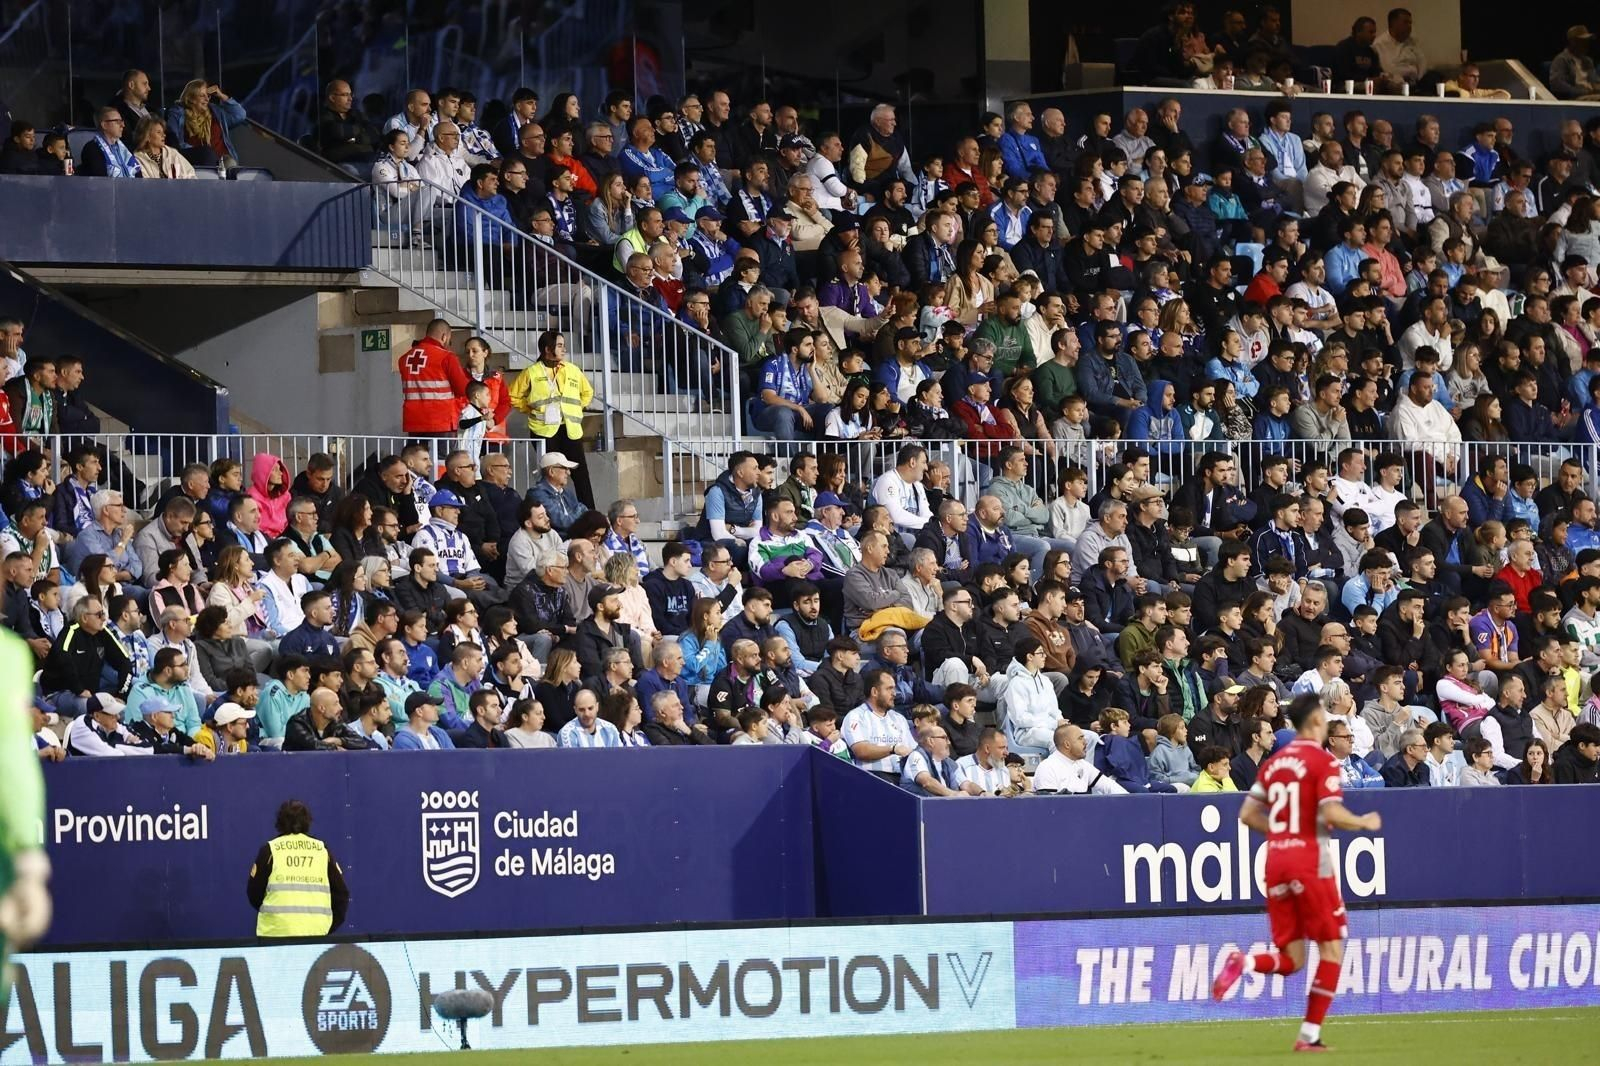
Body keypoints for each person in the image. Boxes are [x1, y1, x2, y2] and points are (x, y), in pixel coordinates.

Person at [1212, 697, 1383, 1051]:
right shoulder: (1323, 761)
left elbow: (1247, 813)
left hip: (1276, 861)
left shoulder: (1274, 765)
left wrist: (1281, 832)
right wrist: (1363, 822)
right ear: (1317, 721)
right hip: (1310, 861)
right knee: (1332, 949)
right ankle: (1309, 1036)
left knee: (1293, 960)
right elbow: (1333, 814)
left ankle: (1243, 962)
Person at [509, 330, 596, 509]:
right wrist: (529, 409)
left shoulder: (572, 369)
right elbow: (513, 396)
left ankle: (589, 513)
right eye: (559, 345)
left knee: (581, 476)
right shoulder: (531, 372)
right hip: (544, 429)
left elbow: (587, 392)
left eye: (564, 345)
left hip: (570, 429)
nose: (564, 349)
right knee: (550, 474)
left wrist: (577, 407)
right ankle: (551, 510)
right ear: (547, 349)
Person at [247, 800, 350, 938]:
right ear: (307, 822)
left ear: (280, 822)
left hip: (275, 934)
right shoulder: (321, 850)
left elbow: (254, 894)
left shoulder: (270, 850)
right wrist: (325, 925)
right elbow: (341, 894)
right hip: (316, 934)